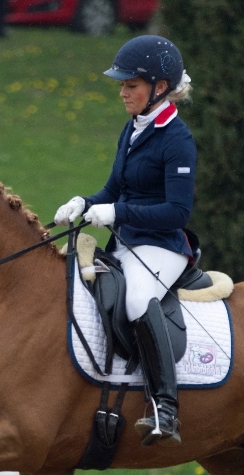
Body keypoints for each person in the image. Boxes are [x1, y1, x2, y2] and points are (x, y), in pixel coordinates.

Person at [54, 35, 196, 447]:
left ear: (160, 88)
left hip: (162, 246)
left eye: (130, 85)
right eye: (122, 85)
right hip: (126, 241)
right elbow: (114, 188)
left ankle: (165, 408)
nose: (122, 92)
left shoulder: (177, 140)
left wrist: (118, 213)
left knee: (136, 300)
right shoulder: (133, 129)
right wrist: (84, 202)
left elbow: (177, 212)